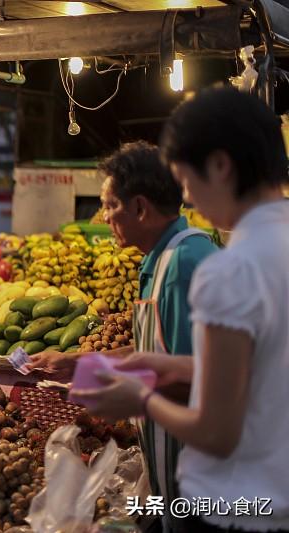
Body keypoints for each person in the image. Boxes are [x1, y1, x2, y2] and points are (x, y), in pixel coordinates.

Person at [73, 87, 289, 532]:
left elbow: (216, 430)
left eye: (186, 181)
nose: (187, 199)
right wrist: (167, 363)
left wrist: (142, 399)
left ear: (220, 166)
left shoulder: (229, 268)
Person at [28, 141, 217, 530]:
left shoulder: (184, 263)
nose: (104, 216)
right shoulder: (158, 259)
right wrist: (77, 364)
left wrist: (124, 392)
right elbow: (157, 348)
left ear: (140, 208)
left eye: (111, 205)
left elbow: (203, 380)